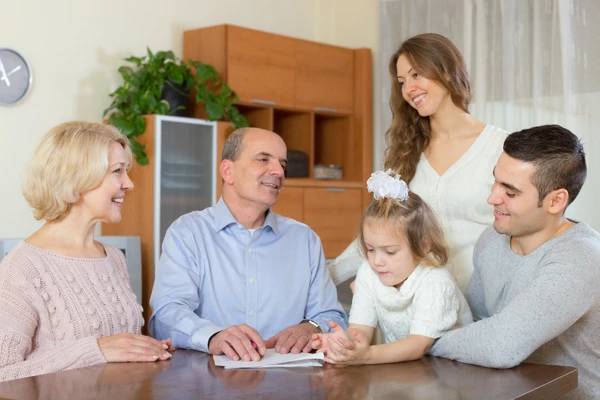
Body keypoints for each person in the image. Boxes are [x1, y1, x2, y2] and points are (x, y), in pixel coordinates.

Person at [429, 125, 600, 399]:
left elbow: (500, 345)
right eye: (495, 182)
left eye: (510, 192)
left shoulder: (582, 257)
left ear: (556, 201)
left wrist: (425, 342)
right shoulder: (492, 239)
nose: (492, 198)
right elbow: (470, 322)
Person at [149, 127, 347, 363]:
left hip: (291, 382)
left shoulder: (305, 240)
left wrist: (311, 328)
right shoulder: (188, 233)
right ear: (227, 171)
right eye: (263, 159)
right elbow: (166, 314)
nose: (278, 171)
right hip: (208, 384)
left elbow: (330, 315)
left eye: (282, 165)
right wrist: (213, 337)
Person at [331, 33, 507, 292]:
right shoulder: (406, 153)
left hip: (487, 301)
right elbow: (381, 228)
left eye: (416, 75)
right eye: (402, 81)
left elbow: (525, 229)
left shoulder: (500, 147)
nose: (409, 89)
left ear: (446, 71)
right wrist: (325, 277)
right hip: (422, 306)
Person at [0, 122, 173, 382]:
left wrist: (145, 350)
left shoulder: (113, 258)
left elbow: (114, 352)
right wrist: (96, 349)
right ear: (78, 179)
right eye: (117, 171)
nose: (129, 184)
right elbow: (4, 373)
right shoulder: (23, 267)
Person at [311, 169, 472, 365]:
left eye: (390, 252)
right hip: (410, 371)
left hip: (455, 371)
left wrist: (366, 355)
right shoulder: (368, 273)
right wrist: (345, 344)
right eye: (370, 249)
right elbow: (360, 330)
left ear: (423, 245)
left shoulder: (435, 281)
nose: (377, 261)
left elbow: (418, 345)